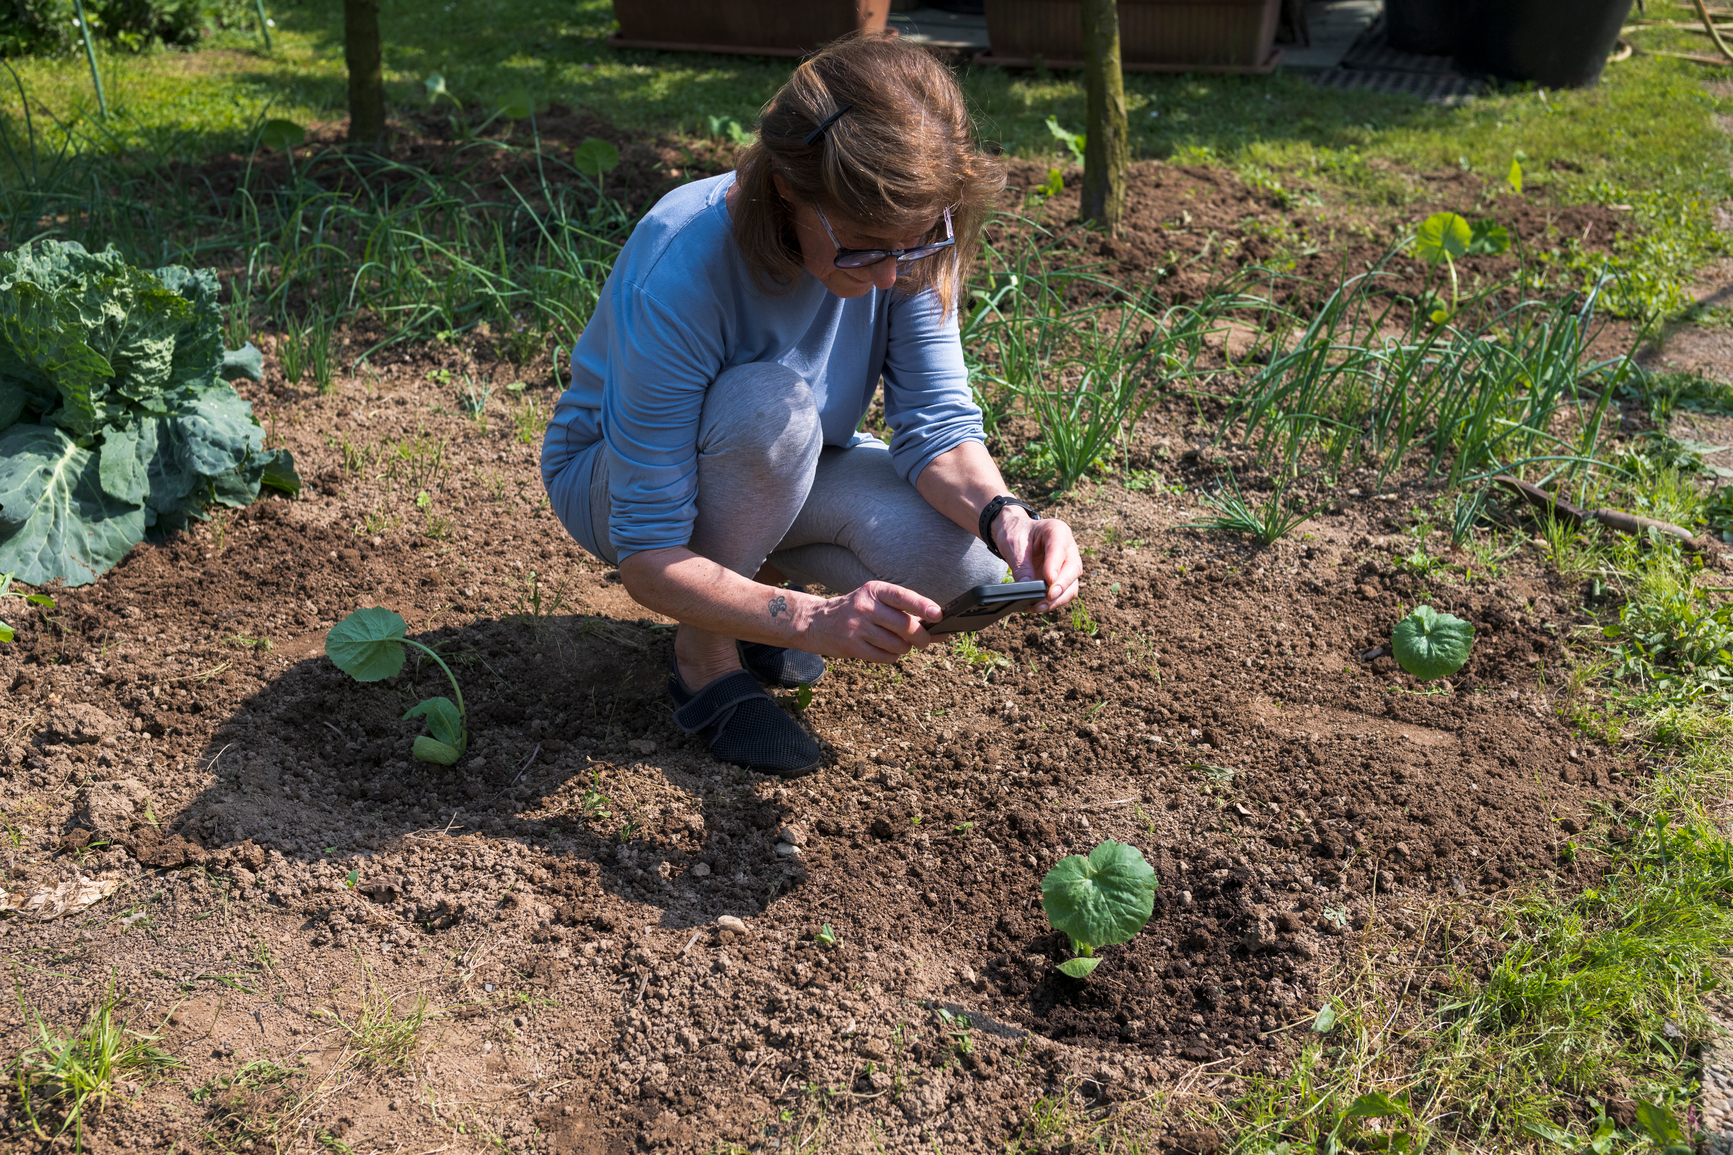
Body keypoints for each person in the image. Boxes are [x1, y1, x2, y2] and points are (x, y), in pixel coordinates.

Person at [541, 32, 1082, 778]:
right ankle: (705, 656)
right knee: (772, 406)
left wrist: (1008, 516)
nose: (893, 274)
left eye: (917, 242)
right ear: (787, 189)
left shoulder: (904, 245)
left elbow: (939, 427)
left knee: (975, 577)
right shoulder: (683, 262)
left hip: (787, 462)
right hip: (616, 482)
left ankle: (745, 592)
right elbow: (648, 554)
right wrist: (813, 619)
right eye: (864, 246)